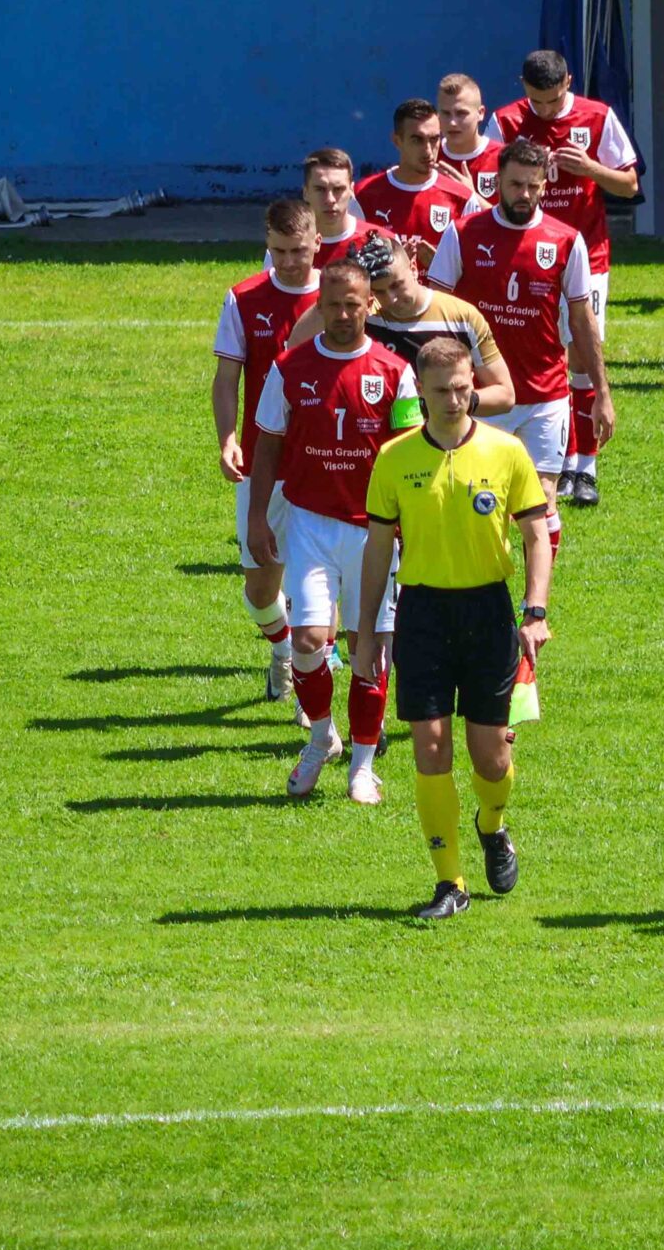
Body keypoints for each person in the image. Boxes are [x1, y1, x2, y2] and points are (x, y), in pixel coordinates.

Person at [354, 337, 557, 921]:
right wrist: (366, 635)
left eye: (463, 388)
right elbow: (377, 550)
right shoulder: (394, 458)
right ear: (420, 390)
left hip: (488, 613)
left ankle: (492, 824)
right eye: (442, 390)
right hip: (422, 614)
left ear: (474, 384)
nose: (454, 399)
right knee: (430, 745)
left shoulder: (506, 451)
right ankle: (451, 882)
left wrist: (535, 610)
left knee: (490, 757)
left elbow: (536, 535)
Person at [245, 260, 423, 804]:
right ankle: (321, 737)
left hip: (375, 531)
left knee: (368, 648)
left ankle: (362, 769)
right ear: (318, 306)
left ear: (371, 305)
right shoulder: (289, 367)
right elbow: (268, 446)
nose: (343, 315)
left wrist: (411, 527)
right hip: (310, 524)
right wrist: (257, 516)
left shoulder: (395, 372)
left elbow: (410, 455)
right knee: (307, 641)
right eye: (333, 305)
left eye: (353, 305)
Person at [428, 137, 614, 559]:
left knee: (541, 498)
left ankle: (537, 594)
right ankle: (481, 581)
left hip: (544, 395)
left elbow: (583, 321)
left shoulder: (566, 240)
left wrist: (602, 393)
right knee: (476, 497)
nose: (524, 194)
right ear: (497, 182)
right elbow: (437, 312)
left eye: (532, 185)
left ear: (545, 184)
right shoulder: (463, 234)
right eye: (515, 185)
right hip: (482, 394)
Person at [489, 49, 639, 504]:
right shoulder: (505, 122)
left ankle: (586, 468)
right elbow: (486, 183)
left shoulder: (597, 117)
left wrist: (590, 168)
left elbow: (630, 184)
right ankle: (565, 458)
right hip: (525, 257)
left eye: (554, 100)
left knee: (582, 356)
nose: (546, 110)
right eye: (537, 101)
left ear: (569, 82)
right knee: (543, 356)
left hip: (586, 254)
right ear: (523, 87)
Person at [210, 198, 321, 703]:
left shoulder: (341, 298)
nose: (290, 262)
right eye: (279, 251)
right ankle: (282, 649)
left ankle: (311, 697)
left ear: (317, 242)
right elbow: (226, 377)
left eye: (299, 250)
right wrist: (227, 439)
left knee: (314, 584)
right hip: (262, 463)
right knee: (260, 592)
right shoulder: (244, 298)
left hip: (323, 461)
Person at [283, 233, 518, 416]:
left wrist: (447, 401)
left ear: (414, 268)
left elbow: (505, 395)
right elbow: (296, 343)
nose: (391, 299)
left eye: (397, 285)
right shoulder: (367, 313)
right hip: (379, 442)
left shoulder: (461, 317)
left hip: (443, 443)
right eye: (379, 291)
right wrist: (346, 280)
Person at [353, 99, 482, 250]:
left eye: (434, 139)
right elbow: (349, 259)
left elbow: (474, 260)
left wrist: (439, 263)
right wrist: (397, 262)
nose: (428, 151)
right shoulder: (363, 196)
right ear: (397, 141)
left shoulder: (462, 199)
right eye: (417, 140)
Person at [299, 147, 409, 271]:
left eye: (338, 189)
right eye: (320, 189)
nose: (330, 199)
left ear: (351, 190)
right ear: (305, 192)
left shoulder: (385, 244)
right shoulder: (288, 245)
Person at [434, 74, 504, 201]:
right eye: (446, 113)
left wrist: (471, 196)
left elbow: (512, 215)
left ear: (480, 113)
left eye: (461, 113)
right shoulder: (428, 159)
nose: (452, 122)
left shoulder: (504, 159)